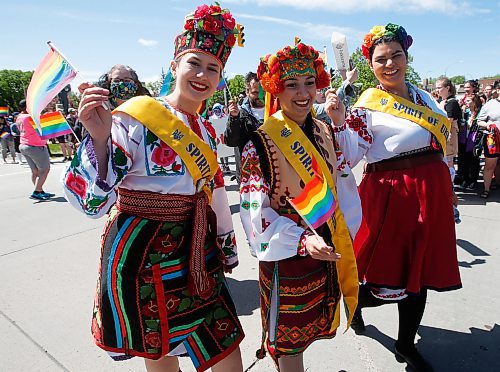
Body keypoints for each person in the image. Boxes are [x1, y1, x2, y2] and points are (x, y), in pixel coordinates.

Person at [62, 4, 244, 372]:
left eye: (213, 68)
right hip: (143, 252)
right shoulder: (135, 115)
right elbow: (93, 204)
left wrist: (225, 245)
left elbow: (216, 195)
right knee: (157, 351)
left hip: (196, 248)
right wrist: (99, 139)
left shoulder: (207, 129)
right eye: (194, 63)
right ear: (175, 65)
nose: (202, 74)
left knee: (225, 349)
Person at [336, 24, 461, 371]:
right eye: (381, 59)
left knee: (419, 275)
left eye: (396, 56)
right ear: (370, 66)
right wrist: (336, 123)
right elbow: (349, 155)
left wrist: (448, 185)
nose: (390, 64)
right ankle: (355, 304)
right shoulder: (365, 106)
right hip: (391, 192)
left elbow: (440, 144)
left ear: (406, 57)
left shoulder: (425, 97)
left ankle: (406, 344)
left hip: (430, 190)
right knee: (386, 279)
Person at [239, 42, 361, 371]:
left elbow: (342, 177)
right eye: (292, 85)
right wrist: (301, 240)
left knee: (311, 329)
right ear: (276, 89)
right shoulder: (261, 142)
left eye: (309, 82)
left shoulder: (323, 130)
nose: (303, 92)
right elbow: (254, 213)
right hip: (287, 256)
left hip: (326, 248)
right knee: (287, 343)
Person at [225, 72, 265, 182]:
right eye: (255, 92)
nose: (260, 96)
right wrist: (234, 118)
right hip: (247, 178)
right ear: (247, 92)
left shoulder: (274, 112)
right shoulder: (240, 114)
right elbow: (231, 141)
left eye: (263, 92)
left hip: (271, 174)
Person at [17, 99, 54, 200]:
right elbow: (44, 126)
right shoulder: (29, 117)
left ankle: (39, 190)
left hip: (24, 144)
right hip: (35, 146)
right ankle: (37, 191)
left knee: (35, 171)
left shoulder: (19, 117)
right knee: (45, 170)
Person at [435, 77, 461, 222]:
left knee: (449, 166)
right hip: (442, 139)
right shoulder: (441, 102)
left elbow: (447, 121)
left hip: (449, 139)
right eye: (437, 87)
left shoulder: (452, 103)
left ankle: (451, 201)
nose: (437, 90)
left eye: (440, 87)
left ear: (448, 88)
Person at [477, 80, 500, 198]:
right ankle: (486, 189)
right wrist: (488, 125)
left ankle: (497, 183)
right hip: (493, 139)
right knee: (490, 165)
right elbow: (479, 121)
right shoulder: (490, 104)